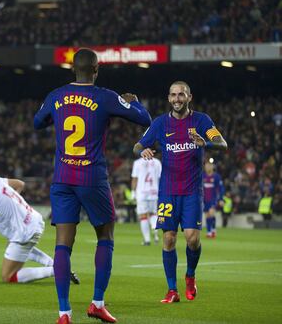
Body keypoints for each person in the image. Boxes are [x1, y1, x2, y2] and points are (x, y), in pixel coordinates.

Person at [34, 48, 151, 324]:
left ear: (73, 69)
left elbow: (37, 122)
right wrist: (132, 102)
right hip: (92, 178)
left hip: (62, 178)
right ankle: (97, 303)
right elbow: (144, 119)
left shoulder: (56, 95)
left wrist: (55, 114)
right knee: (106, 236)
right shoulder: (106, 97)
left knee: (63, 243)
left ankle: (64, 313)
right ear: (96, 69)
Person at [133, 81, 227, 303]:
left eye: (181, 95)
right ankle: (172, 290)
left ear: (189, 97)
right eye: (173, 95)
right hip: (167, 191)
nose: (177, 99)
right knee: (168, 239)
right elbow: (137, 146)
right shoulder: (159, 124)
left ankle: (190, 275)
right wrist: (143, 149)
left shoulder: (202, 120)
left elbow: (222, 143)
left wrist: (205, 143)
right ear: (168, 98)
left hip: (192, 192)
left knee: (192, 239)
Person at [0, 171, 80, 286]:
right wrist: (14, 206)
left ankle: (57, 270)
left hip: (24, 233)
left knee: (8, 276)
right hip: (34, 219)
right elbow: (20, 184)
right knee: (15, 247)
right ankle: (56, 264)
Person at [131, 156, 162, 245]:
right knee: (153, 214)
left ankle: (147, 240)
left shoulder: (137, 162)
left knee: (143, 216)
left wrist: (133, 192)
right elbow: (160, 178)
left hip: (142, 193)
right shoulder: (157, 162)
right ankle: (154, 228)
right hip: (154, 192)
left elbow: (134, 178)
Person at [203, 162, 224, 238]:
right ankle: (211, 230)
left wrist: (221, 199)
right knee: (207, 215)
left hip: (213, 198)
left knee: (211, 213)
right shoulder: (202, 176)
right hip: (204, 199)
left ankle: (210, 232)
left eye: (209, 166)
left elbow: (221, 188)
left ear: (212, 167)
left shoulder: (216, 176)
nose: (207, 167)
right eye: (206, 166)